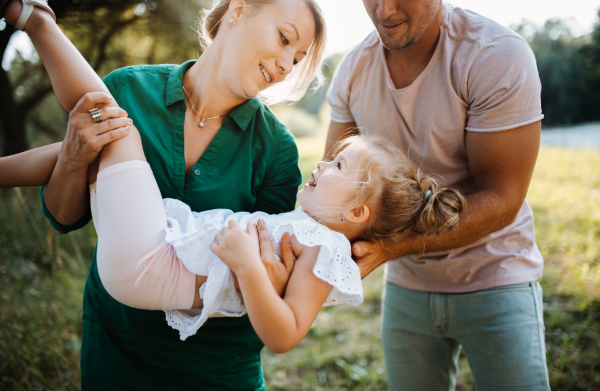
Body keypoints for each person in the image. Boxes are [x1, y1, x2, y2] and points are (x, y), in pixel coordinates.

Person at [0, 0, 326, 389]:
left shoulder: (277, 149)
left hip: (216, 369)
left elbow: (270, 270)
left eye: (298, 58)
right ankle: (37, 21)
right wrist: (72, 159)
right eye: (285, 39)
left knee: (117, 132)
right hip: (116, 354)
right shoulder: (128, 89)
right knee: (114, 128)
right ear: (239, 10)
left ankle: (37, 21)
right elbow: (63, 217)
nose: (288, 66)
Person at [325, 0, 550, 390]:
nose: (384, 9)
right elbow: (334, 188)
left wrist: (392, 248)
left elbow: (501, 199)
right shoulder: (352, 70)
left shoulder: (494, 55)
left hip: (495, 277)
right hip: (407, 288)